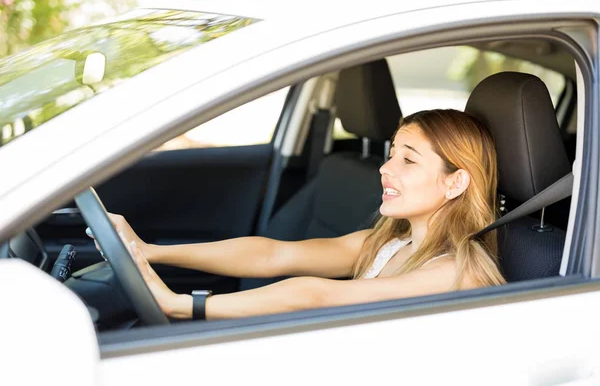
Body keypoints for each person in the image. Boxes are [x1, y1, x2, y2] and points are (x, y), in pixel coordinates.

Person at [96, 108, 506, 321]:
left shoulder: (458, 272)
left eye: (408, 160)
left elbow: (317, 294)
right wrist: (150, 252)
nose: (385, 168)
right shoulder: (385, 242)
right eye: (390, 154)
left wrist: (182, 305)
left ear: (455, 183)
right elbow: (274, 255)